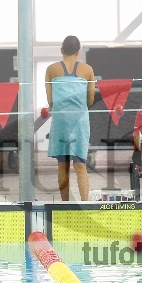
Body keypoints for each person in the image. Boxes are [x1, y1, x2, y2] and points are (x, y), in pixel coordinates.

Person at [45, 36, 95, 201]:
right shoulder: (88, 69)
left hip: (61, 121)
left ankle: (64, 204)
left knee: (63, 165)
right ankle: (85, 203)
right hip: (80, 121)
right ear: (78, 52)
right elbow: (90, 100)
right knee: (81, 165)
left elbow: (50, 101)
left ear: (62, 50)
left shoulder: (51, 69)